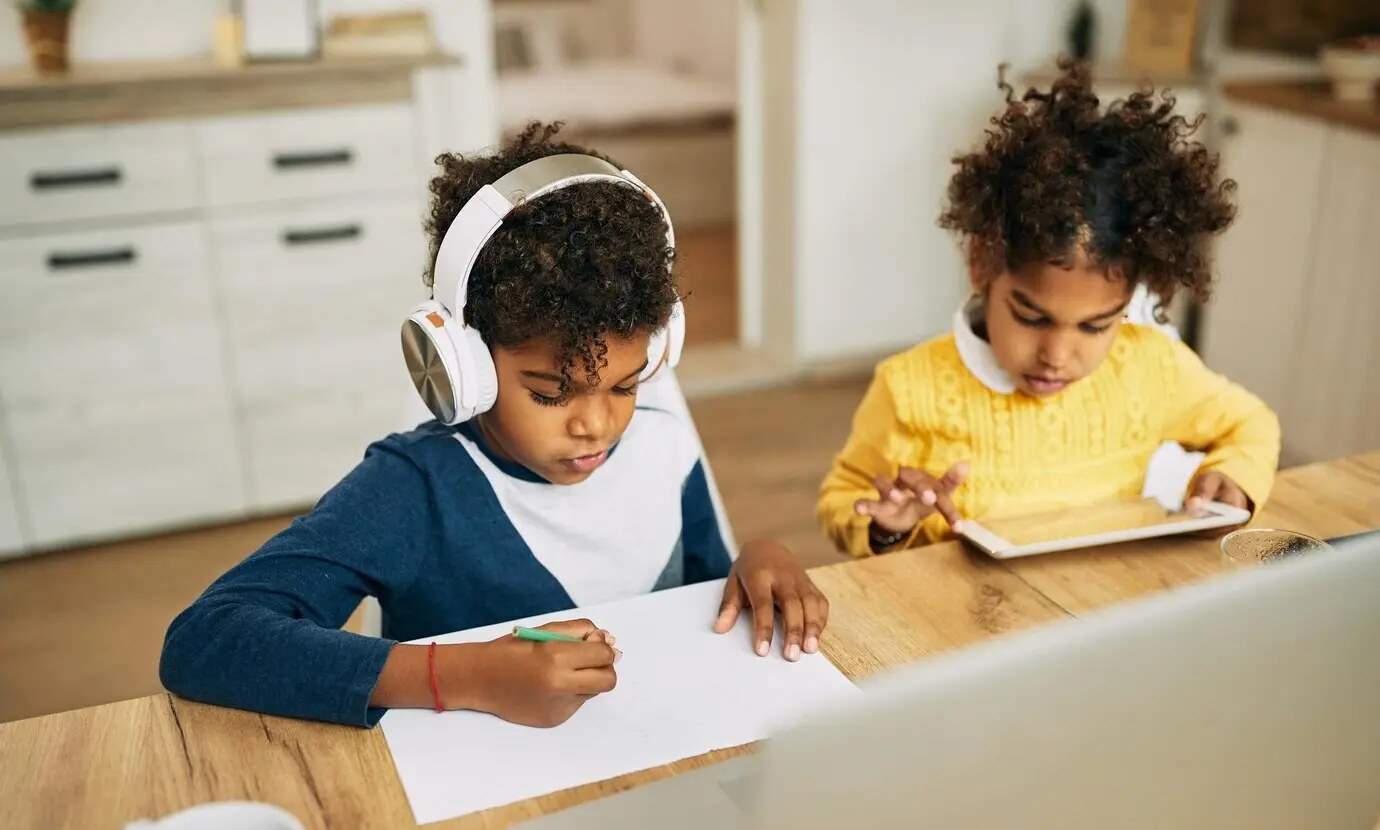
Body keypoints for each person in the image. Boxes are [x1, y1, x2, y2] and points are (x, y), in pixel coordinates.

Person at [161, 123, 828, 729]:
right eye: (550, 394)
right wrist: (465, 677)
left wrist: (753, 562)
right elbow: (207, 639)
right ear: (465, 368)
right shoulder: (413, 491)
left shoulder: (665, 445)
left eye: (625, 385)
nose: (596, 424)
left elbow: (696, 606)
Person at [818, 58, 1280, 558]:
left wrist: (1233, 477)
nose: (1057, 355)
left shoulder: (1152, 369)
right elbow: (841, 500)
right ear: (982, 263)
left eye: (1096, 325)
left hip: (1099, 612)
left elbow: (1252, 423)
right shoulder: (908, 390)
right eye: (1032, 317)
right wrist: (889, 525)